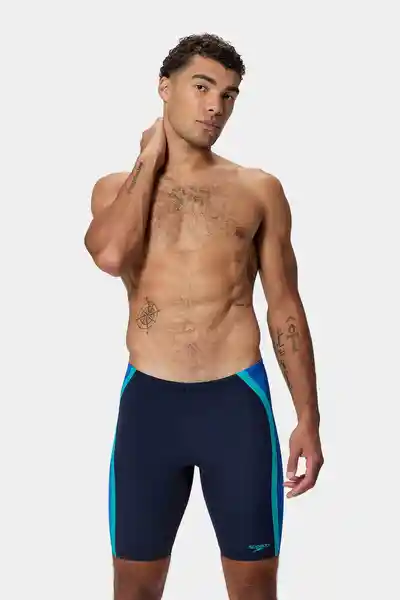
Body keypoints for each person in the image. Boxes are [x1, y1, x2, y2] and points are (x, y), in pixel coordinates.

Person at [84, 32, 324, 600]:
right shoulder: (115, 190)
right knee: (134, 590)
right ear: (164, 87)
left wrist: (308, 417)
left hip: (235, 403)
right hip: (150, 405)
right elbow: (111, 255)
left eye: (229, 94)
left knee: (254, 590)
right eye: (202, 87)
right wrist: (150, 157)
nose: (216, 105)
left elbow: (284, 305)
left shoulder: (258, 190)